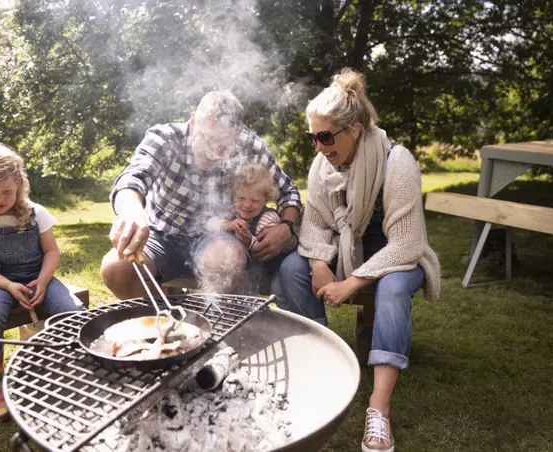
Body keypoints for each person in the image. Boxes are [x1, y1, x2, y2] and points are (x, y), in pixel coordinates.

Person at [271, 68, 441, 452]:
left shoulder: (397, 162)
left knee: (395, 287)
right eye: (313, 137)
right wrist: (317, 262)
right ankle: (322, 361)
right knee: (292, 268)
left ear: (356, 130)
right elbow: (313, 225)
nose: (318, 146)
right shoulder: (321, 167)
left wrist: (350, 282)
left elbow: (406, 245)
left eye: (326, 137)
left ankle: (378, 410)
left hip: (395, 257)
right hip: (349, 258)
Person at [100, 90, 302, 297]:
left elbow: (288, 192)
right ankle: (167, 320)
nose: (213, 149)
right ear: (194, 119)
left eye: (223, 143)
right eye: (207, 137)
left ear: (237, 133)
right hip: (162, 235)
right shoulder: (165, 139)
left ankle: (221, 322)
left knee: (226, 260)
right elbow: (132, 179)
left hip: (218, 236)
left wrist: (286, 227)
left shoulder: (249, 146)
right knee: (116, 269)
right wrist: (132, 212)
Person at [0, 143, 84, 421]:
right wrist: (8, 285)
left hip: (38, 276)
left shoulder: (36, 213)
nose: (0, 198)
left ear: (19, 185)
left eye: (7, 192)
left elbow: (51, 251)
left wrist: (44, 281)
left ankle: (72, 372)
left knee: (72, 312)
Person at [204, 163, 299, 292]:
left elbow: (264, 248)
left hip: (265, 268)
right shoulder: (231, 213)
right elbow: (210, 223)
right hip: (241, 270)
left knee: (251, 289)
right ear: (234, 196)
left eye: (254, 201)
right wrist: (227, 224)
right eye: (241, 198)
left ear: (265, 200)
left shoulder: (268, 218)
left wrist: (250, 241)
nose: (247, 204)